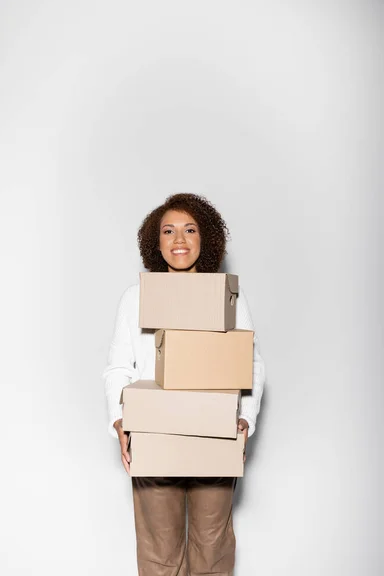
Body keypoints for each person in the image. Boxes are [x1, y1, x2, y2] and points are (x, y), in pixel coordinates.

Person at [102, 192, 265, 576]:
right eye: (169, 231)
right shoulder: (135, 297)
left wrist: (245, 420)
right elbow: (118, 367)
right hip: (154, 433)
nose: (179, 239)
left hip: (215, 434)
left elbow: (250, 363)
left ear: (204, 238)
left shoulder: (227, 297)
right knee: (159, 550)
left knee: (213, 546)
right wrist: (119, 419)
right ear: (155, 242)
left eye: (190, 230)